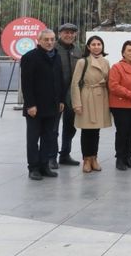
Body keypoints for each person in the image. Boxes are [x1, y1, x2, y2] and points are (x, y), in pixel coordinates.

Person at [21, 29, 65, 180]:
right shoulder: (30, 57)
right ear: (39, 40)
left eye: (52, 39)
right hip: (35, 107)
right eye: (46, 39)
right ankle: (33, 167)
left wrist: (61, 100)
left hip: (52, 105)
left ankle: (44, 165)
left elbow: (59, 81)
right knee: (33, 138)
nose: (50, 42)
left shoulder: (57, 57)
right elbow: (26, 84)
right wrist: (30, 105)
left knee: (48, 137)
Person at [71, 35, 112, 173]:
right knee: (87, 130)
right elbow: (75, 83)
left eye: (99, 44)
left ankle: (94, 158)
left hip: (101, 97)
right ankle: (86, 160)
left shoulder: (106, 62)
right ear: (88, 47)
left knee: (96, 131)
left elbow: (109, 80)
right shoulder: (82, 62)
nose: (96, 47)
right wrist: (77, 103)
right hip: (87, 97)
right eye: (93, 44)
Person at [108, 40, 131, 171]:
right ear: (123, 52)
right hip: (121, 105)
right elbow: (113, 86)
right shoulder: (117, 67)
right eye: (129, 50)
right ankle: (120, 159)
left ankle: (128, 157)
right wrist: (130, 94)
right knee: (122, 132)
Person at [50, 23, 82, 170]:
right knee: (53, 128)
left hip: (72, 94)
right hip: (56, 94)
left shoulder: (78, 49)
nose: (69, 35)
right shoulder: (53, 48)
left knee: (70, 127)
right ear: (60, 33)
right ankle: (51, 157)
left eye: (72, 33)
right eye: (66, 32)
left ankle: (65, 154)